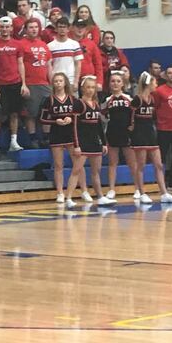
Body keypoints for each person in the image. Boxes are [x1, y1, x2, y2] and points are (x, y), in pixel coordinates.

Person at [131, 72, 172, 204]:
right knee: (140, 165)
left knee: (159, 164)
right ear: (148, 83)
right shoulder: (137, 100)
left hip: (151, 134)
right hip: (139, 135)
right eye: (154, 82)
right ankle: (141, 193)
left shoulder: (152, 100)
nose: (156, 85)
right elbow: (130, 119)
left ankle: (164, 193)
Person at [63, 76, 106, 207]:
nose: (90, 90)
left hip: (95, 142)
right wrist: (76, 145)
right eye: (88, 87)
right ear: (82, 88)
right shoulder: (78, 103)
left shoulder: (96, 105)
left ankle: (100, 196)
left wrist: (104, 143)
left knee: (96, 171)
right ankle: (69, 198)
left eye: (93, 87)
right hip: (82, 143)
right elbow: (74, 126)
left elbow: (99, 126)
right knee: (76, 170)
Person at [39, 73, 80, 206]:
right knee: (58, 165)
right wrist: (54, 120)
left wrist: (71, 118)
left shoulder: (73, 99)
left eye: (60, 81)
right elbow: (42, 118)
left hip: (70, 134)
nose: (58, 83)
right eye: (56, 81)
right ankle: (60, 193)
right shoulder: (49, 100)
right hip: (56, 134)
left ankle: (73, 192)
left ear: (65, 83)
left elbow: (79, 117)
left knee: (76, 164)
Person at [0, 17, 26, 153]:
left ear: (11, 28)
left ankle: (13, 142)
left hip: (15, 83)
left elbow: (21, 64)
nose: (5, 29)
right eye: (2, 27)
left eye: (7, 27)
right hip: (0, 84)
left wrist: (24, 84)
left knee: (14, 114)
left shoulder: (18, 44)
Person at [101, 71, 138, 204]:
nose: (115, 83)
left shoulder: (129, 98)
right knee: (112, 163)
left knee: (132, 162)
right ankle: (111, 189)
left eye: (118, 81)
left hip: (127, 133)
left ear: (123, 83)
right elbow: (103, 116)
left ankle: (138, 188)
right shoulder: (106, 100)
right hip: (112, 133)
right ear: (109, 84)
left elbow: (135, 115)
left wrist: (132, 127)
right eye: (113, 81)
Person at [19, 18, 52, 149]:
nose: (33, 29)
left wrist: (52, 84)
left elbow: (49, 65)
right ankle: (32, 139)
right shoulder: (21, 44)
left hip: (44, 83)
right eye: (31, 27)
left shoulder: (44, 45)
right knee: (31, 113)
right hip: (30, 83)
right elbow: (19, 64)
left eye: (35, 27)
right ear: (26, 29)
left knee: (47, 112)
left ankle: (46, 138)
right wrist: (23, 84)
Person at [47, 17, 82, 92]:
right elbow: (49, 65)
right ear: (56, 29)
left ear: (68, 29)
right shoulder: (50, 46)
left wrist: (76, 81)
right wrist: (51, 81)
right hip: (56, 81)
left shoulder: (74, 44)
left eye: (64, 27)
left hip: (71, 81)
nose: (62, 29)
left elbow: (78, 64)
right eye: (60, 27)